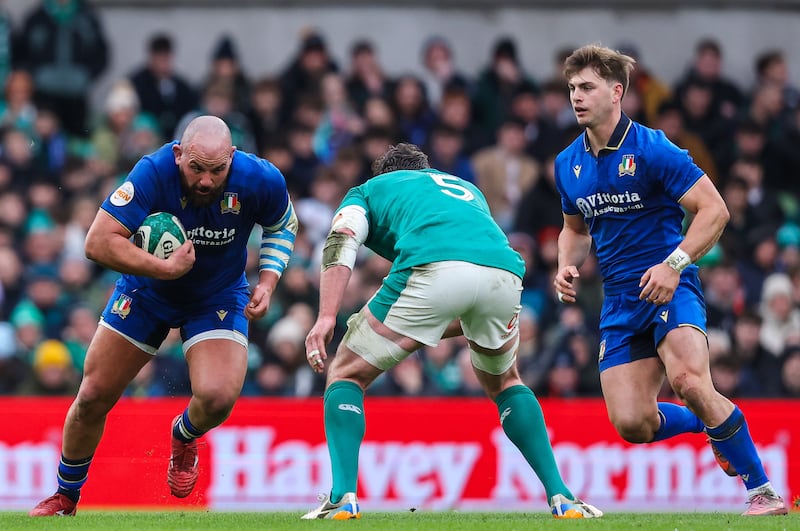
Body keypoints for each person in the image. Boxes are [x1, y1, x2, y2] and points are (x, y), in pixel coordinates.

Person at [301, 142, 602, 520]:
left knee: (346, 371)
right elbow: (466, 284)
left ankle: (342, 497)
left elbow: (341, 239)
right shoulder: (467, 189)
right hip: (505, 273)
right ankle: (563, 497)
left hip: (435, 266)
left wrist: (327, 315)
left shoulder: (371, 190)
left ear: (386, 174)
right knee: (507, 381)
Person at [553, 44, 787, 516]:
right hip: (619, 301)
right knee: (633, 424)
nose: (577, 96)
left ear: (616, 92)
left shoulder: (653, 147)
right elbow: (573, 229)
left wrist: (673, 264)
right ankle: (712, 427)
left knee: (690, 382)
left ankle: (763, 492)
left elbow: (714, 209)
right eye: (573, 88)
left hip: (669, 285)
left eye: (588, 87)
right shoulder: (566, 164)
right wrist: (566, 263)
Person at [29, 115, 298, 516]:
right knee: (92, 396)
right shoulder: (152, 172)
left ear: (233, 158)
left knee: (219, 397)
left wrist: (268, 281)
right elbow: (97, 242)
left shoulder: (261, 178)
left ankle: (184, 434)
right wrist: (166, 269)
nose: (206, 180)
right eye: (196, 168)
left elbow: (282, 224)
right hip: (146, 291)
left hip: (217, 295)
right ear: (177, 155)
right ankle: (65, 496)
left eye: (217, 170)